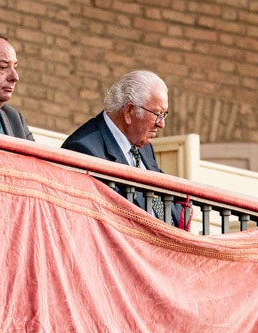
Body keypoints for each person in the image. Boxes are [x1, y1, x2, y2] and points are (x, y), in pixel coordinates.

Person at [62, 70, 178, 223]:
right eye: (157, 114)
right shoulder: (84, 150)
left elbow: (166, 199)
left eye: (164, 114)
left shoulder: (143, 146)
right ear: (129, 111)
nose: (161, 124)